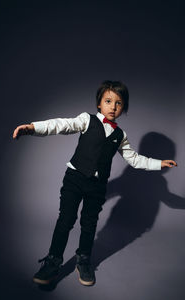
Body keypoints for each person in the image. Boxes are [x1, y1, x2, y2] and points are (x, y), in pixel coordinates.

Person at [12, 80, 177, 286]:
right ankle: (53, 261)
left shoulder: (120, 135)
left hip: (97, 187)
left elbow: (134, 159)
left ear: (123, 108)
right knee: (66, 220)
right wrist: (32, 128)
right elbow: (61, 124)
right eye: (108, 101)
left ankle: (84, 260)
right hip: (74, 179)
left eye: (118, 103)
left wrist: (158, 163)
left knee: (89, 224)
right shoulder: (86, 120)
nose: (113, 107)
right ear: (99, 104)